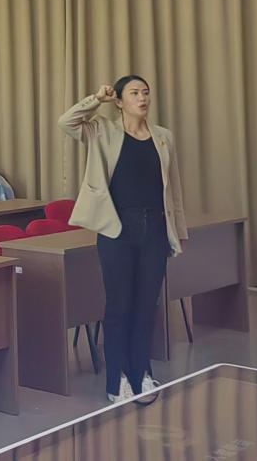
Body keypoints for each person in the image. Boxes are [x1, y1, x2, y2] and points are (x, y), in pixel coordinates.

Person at [59, 76, 188, 406]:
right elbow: (67, 122)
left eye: (146, 92)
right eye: (134, 93)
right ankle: (116, 380)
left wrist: (178, 231)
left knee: (146, 306)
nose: (142, 98)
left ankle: (140, 372)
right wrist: (96, 98)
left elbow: (172, 189)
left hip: (155, 229)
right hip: (117, 230)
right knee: (119, 306)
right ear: (119, 101)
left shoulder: (163, 137)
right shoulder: (102, 130)